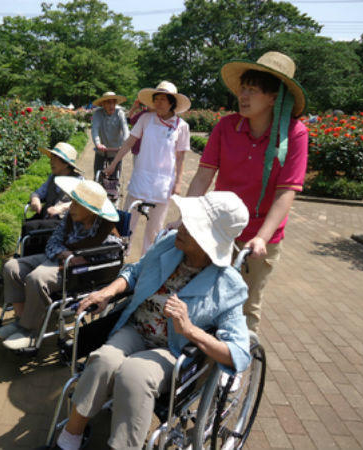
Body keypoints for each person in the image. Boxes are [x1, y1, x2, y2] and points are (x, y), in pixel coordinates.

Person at [53, 191, 251, 450]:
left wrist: (190, 330)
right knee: (103, 361)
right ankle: (70, 438)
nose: (180, 225)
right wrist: (107, 292)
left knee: (133, 375)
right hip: (136, 329)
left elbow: (239, 354)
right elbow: (135, 271)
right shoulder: (169, 243)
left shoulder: (229, 286)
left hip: (173, 349)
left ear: (207, 242)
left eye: (191, 226)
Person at [184, 51, 308, 334]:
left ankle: (238, 369)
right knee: (204, 296)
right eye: (243, 88)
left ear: (274, 98)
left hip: (259, 238)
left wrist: (261, 238)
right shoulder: (227, 126)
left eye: (253, 90)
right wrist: (186, 217)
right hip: (219, 229)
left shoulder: (294, 134)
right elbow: (203, 175)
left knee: (246, 305)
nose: (244, 95)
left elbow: (286, 191)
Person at [0, 178, 122, 350]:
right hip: (59, 257)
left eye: (76, 204)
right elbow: (52, 242)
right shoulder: (70, 218)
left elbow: (111, 261)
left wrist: (83, 259)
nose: (71, 207)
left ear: (90, 210)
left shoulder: (107, 233)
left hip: (78, 273)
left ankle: (30, 331)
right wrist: (65, 253)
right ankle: (21, 321)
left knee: (37, 278)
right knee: (11, 267)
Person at [105, 81, 191, 255]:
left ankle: (146, 261)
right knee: (129, 220)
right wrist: (113, 164)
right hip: (142, 176)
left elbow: (181, 157)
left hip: (164, 182)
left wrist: (179, 183)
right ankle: (121, 254)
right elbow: (130, 142)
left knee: (155, 227)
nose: (158, 103)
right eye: (156, 99)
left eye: (162, 99)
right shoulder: (146, 119)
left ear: (172, 103)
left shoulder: (181, 126)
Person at [25, 142, 83, 232]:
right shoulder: (52, 178)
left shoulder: (78, 181)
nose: (51, 162)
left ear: (66, 164)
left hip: (64, 224)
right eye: (51, 158)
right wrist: (35, 199)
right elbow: (38, 193)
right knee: (27, 227)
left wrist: (61, 208)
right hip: (47, 220)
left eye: (55, 159)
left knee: (30, 228)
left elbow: (83, 203)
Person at [91, 91, 129, 177]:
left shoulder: (120, 113)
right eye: (108, 102)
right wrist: (98, 143)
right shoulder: (98, 114)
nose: (111, 105)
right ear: (103, 104)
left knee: (114, 177)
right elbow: (95, 129)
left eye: (113, 102)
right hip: (102, 149)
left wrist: (125, 143)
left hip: (116, 150)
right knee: (98, 175)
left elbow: (125, 129)